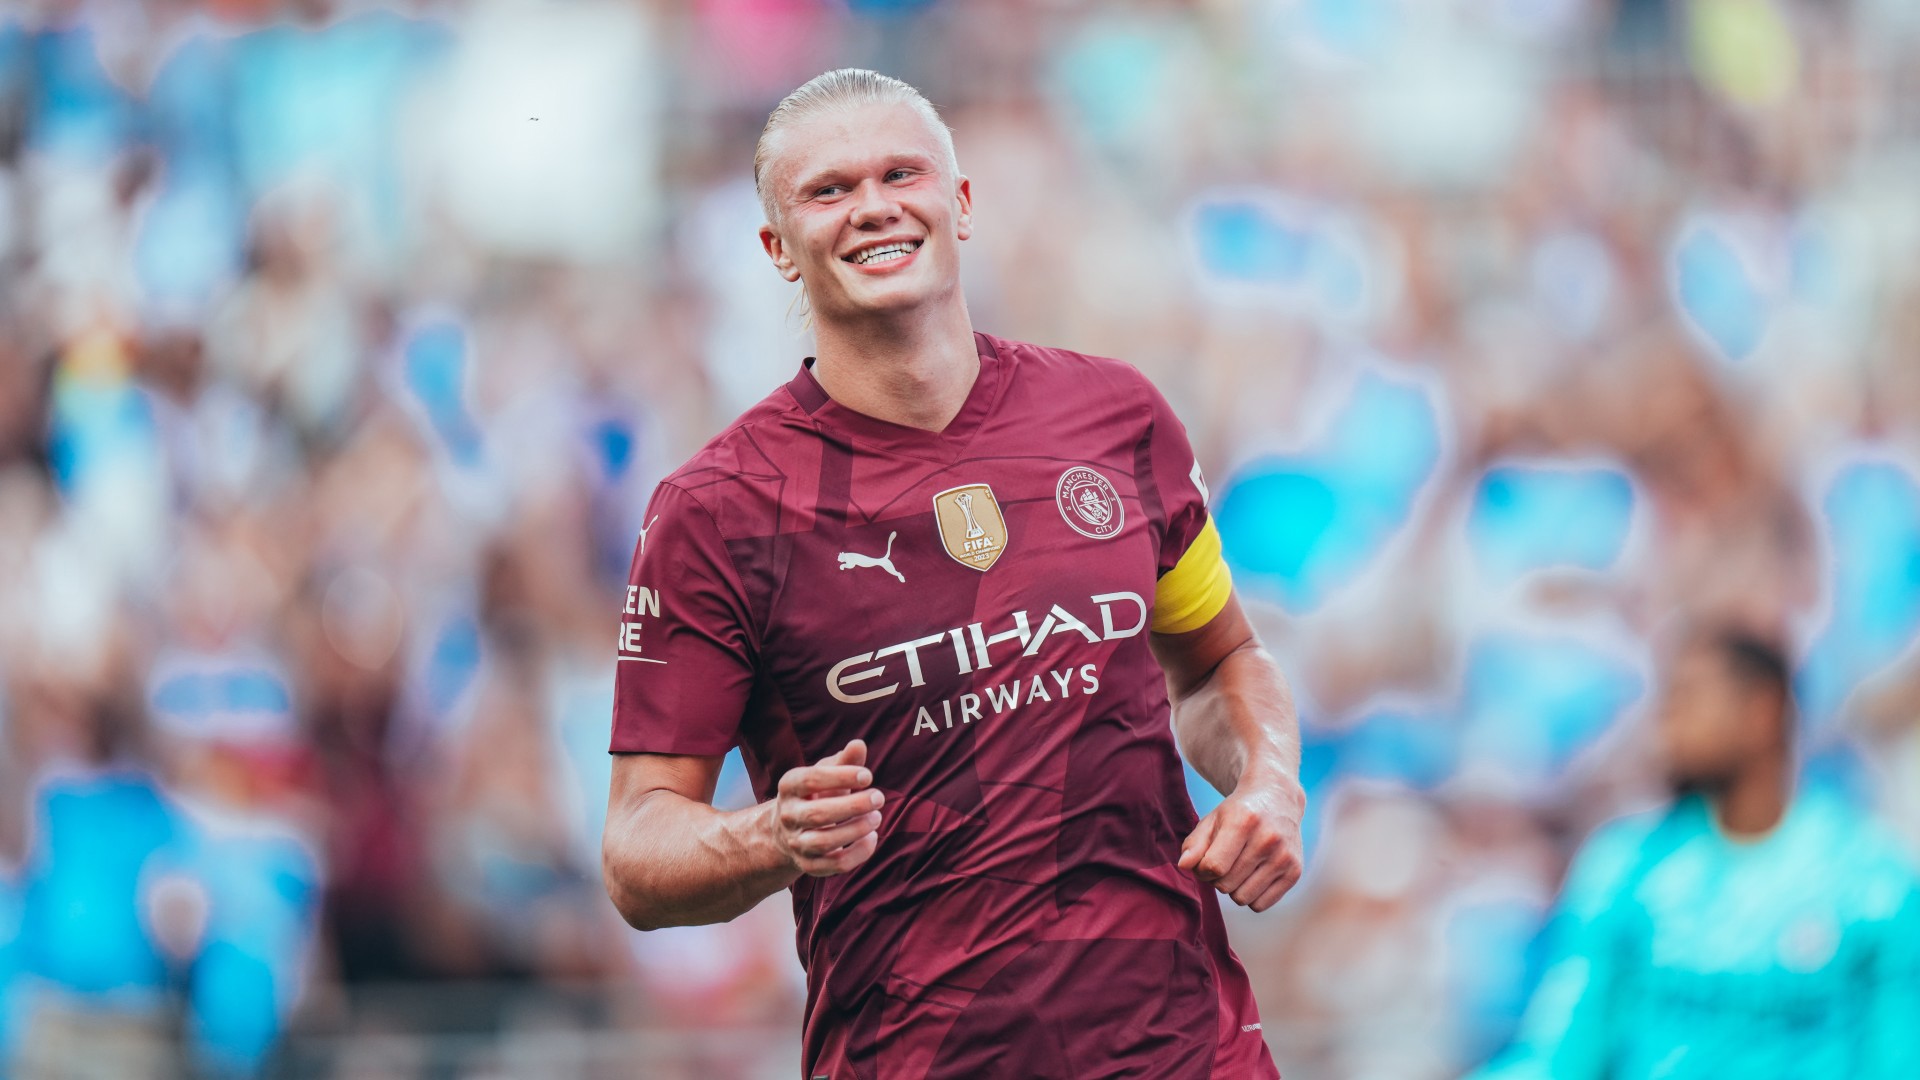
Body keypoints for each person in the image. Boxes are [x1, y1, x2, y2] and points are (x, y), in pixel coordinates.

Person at [600, 69, 1305, 1078]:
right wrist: (772, 834)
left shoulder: (1116, 418)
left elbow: (1218, 661)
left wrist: (1269, 784)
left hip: (1183, 1051)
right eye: (829, 190)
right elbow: (637, 852)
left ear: (960, 202)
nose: (874, 207)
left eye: (901, 173)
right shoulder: (717, 512)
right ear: (776, 250)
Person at [1471, 626, 1920, 1079]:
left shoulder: (1870, 880)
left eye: (1688, 699)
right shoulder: (1624, 866)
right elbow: (1562, 1053)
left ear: (1762, 711)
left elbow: (1899, 1060)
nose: (1666, 726)